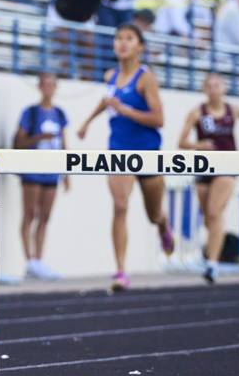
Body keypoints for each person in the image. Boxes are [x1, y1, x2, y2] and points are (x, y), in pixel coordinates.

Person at [75, 24, 175, 291]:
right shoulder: (111, 75)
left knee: (153, 214)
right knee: (120, 207)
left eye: (129, 39)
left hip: (147, 152)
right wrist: (87, 122)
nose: (122, 43)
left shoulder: (146, 78)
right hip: (118, 150)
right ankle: (120, 271)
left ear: (140, 46)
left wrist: (126, 110)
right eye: (118, 38)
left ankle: (163, 225)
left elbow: (159, 119)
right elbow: (108, 101)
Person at [177, 74, 239, 284]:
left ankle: (212, 264)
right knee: (208, 217)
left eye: (217, 85)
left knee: (215, 212)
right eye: (209, 86)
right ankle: (217, 252)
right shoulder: (197, 112)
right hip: (204, 167)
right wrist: (200, 145)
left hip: (227, 166)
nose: (213, 89)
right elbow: (181, 142)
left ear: (224, 88)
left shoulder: (234, 110)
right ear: (204, 89)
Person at [13, 73, 70, 281]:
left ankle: (39, 259)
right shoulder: (31, 113)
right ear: (39, 87)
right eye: (45, 84)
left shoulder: (60, 114)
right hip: (33, 169)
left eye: (52, 85)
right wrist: (39, 138)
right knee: (30, 213)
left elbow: (64, 143)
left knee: (45, 215)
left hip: (52, 170)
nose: (48, 88)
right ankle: (29, 260)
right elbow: (20, 141)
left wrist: (66, 172)